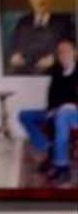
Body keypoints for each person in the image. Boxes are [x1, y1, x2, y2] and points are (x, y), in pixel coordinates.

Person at [19, 37, 78, 185]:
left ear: (75, 52)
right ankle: (50, 147)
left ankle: (62, 167)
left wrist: (72, 105)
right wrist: (51, 110)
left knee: (62, 115)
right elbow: (52, 96)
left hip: (74, 113)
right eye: (60, 52)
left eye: (67, 51)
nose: (63, 55)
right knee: (25, 115)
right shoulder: (57, 71)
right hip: (57, 110)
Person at [5, 0, 77, 75]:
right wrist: (14, 56)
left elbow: (74, 48)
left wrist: (55, 58)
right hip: (24, 73)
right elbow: (11, 49)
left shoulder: (64, 22)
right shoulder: (23, 22)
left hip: (53, 73)